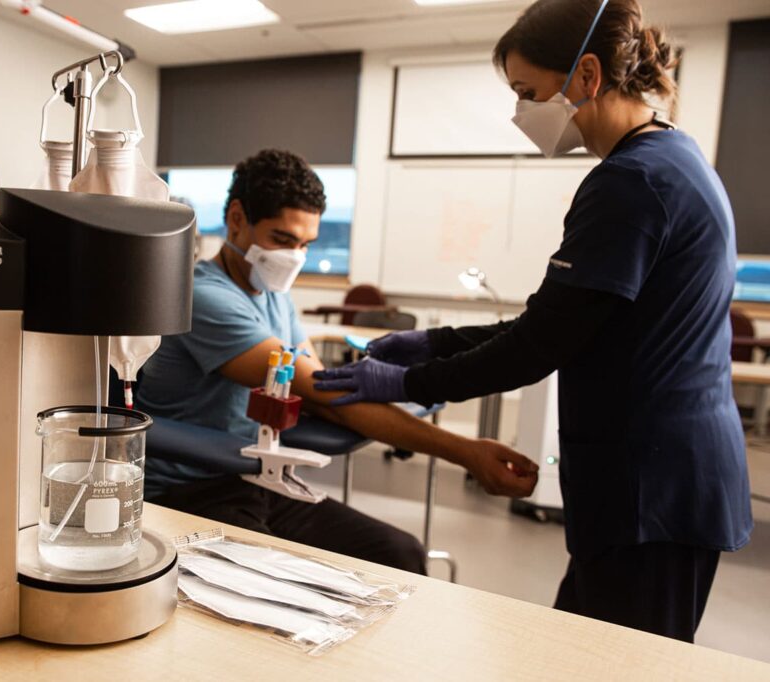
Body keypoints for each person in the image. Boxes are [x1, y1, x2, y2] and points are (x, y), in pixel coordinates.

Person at [314, 0, 752, 642]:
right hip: (662, 478)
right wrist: (428, 342)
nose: (521, 111)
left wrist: (405, 383)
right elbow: (564, 320)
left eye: (527, 92)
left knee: (618, 662)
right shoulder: (673, 159)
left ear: (587, 75)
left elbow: (537, 346)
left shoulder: (633, 183)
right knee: (586, 650)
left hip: (650, 489)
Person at [138, 149, 538, 575]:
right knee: (281, 588)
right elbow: (324, 390)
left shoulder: (274, 294)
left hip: (255, 478)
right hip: (190, 488)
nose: (294, 257)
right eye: (282, 240)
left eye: (306, 244)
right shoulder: (206, 298)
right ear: (237, 218)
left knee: (398, 552)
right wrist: (466, 452)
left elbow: (321, 385)